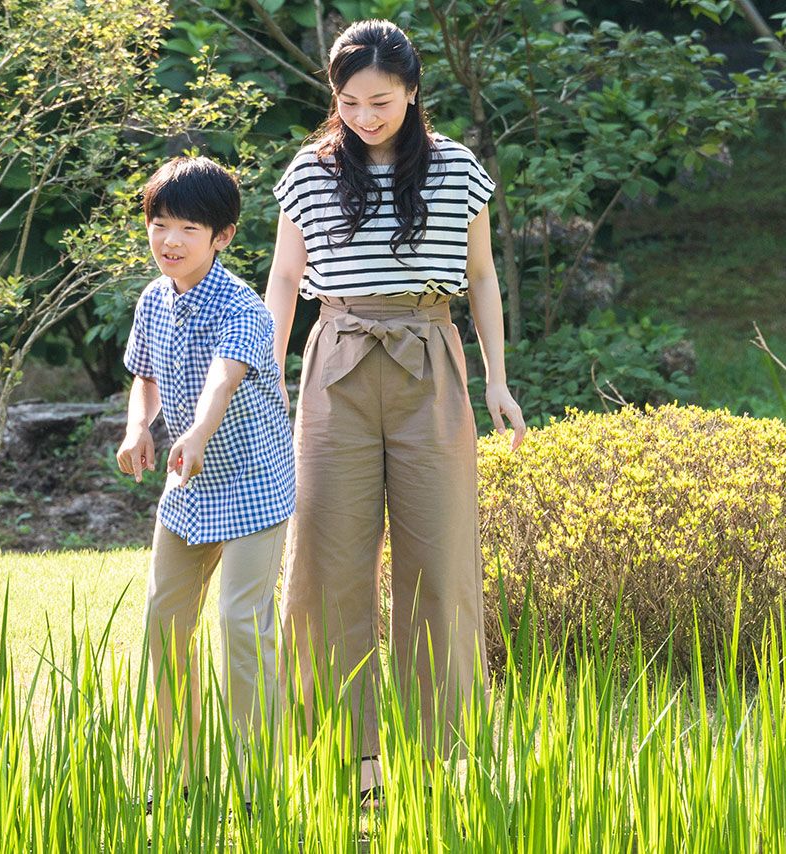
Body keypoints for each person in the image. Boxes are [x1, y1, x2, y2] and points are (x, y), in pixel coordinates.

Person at [266, 19, 526, 798]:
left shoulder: (457, 170)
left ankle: (443, 753)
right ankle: (346, 756)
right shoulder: (309, 172)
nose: (365, 117)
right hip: (337, 359)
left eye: (381, 101)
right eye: (349, 103)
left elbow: (480, 277)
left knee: (439, 562)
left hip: (430, 357)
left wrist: (496, 378)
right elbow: (284, 279)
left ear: (413, 92)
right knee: (326, 561)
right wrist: (263, 373)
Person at [117, 156, 295, 798]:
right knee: (164, 625)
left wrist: (192, 433)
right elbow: (145, 376)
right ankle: (176, 779)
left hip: (252, 483)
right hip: (188, 488)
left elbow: (223, 379)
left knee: (242, 626)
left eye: (188, 228)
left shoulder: (243, 307)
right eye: (160, 224)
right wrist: (140, 427)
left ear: (221, 237)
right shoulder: (152, 299)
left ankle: (259, 787)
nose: (169, 240)